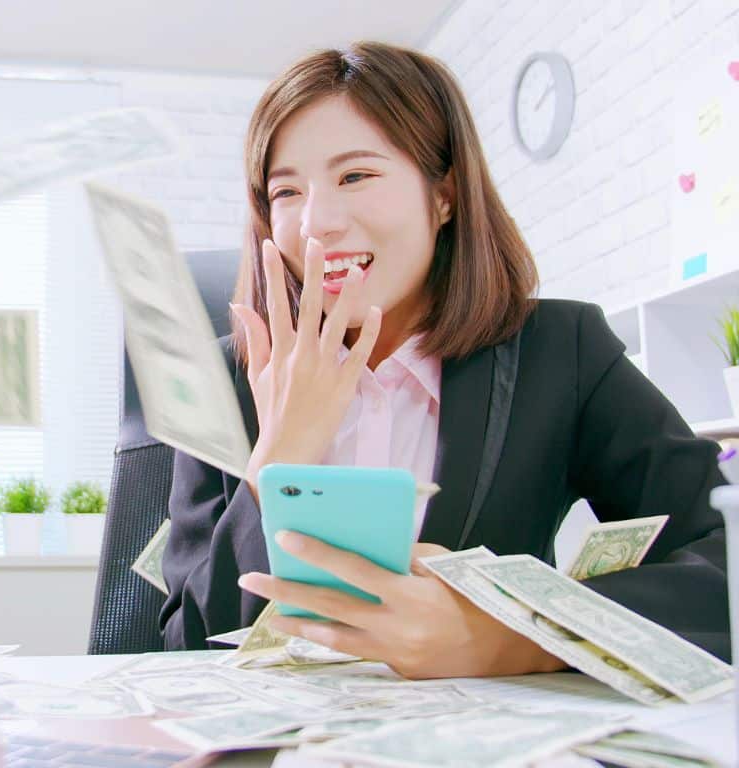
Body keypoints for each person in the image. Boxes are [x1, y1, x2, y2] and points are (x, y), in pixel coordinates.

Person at [158, 41, 729, 676]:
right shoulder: (226, 380)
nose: (317, 222)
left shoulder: (560, 352)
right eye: (285, 191)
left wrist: (510, 637)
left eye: (356, 175)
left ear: (445, 195)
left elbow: (720, 555)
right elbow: (180, 650)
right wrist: (278, 463)